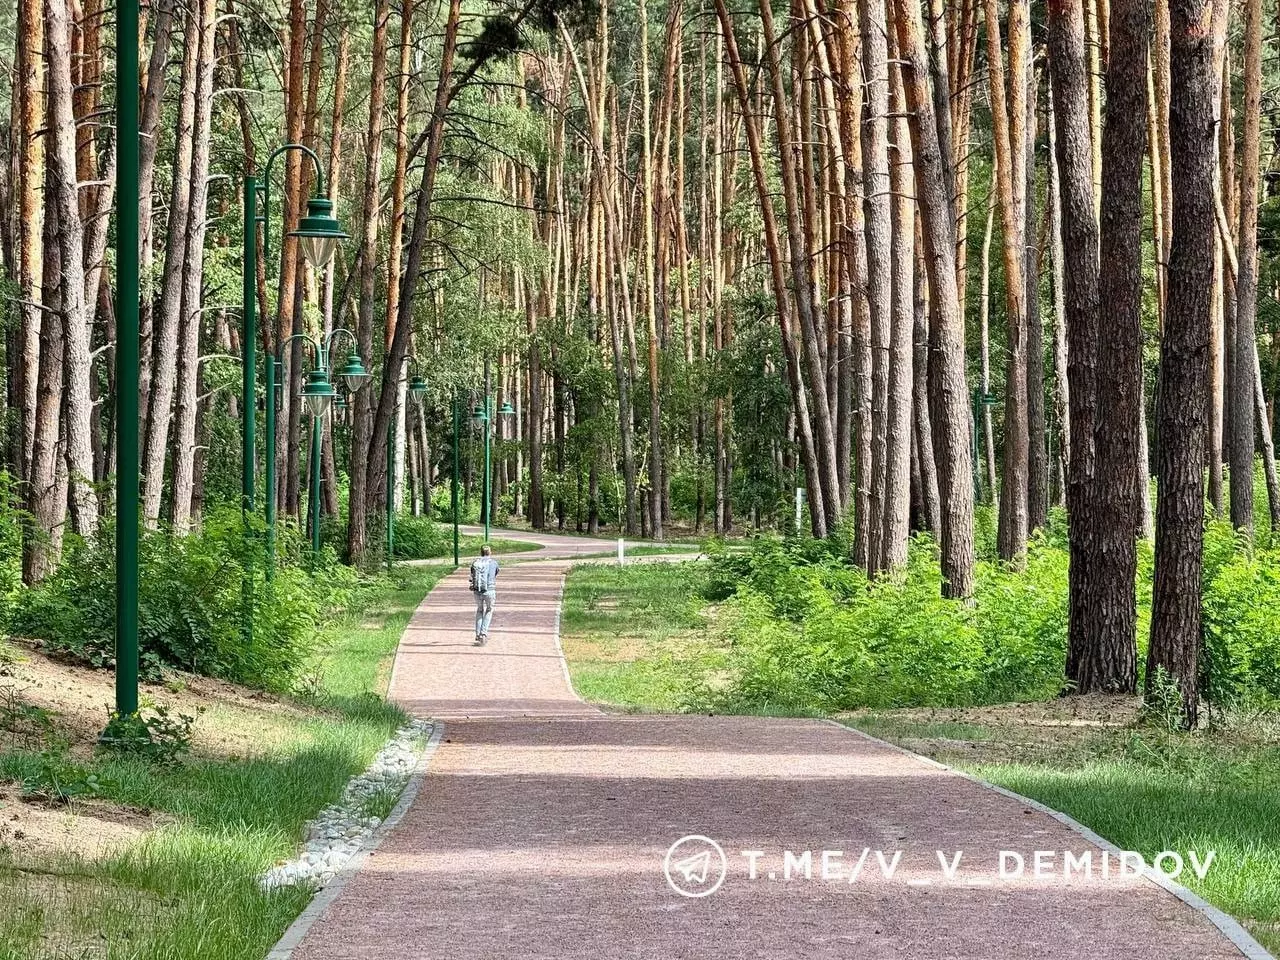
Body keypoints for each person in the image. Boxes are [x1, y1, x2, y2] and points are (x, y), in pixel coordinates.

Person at [469, 544, 499, 645]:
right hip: (489, 590)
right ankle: (483, 633)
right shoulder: (493, 563)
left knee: (480, 610)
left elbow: (472, 575)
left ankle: (478, 634)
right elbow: (496, 573)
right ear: (490, 552)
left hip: (477, 591)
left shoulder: (475, 563)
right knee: (489, 610)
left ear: (480, 552)